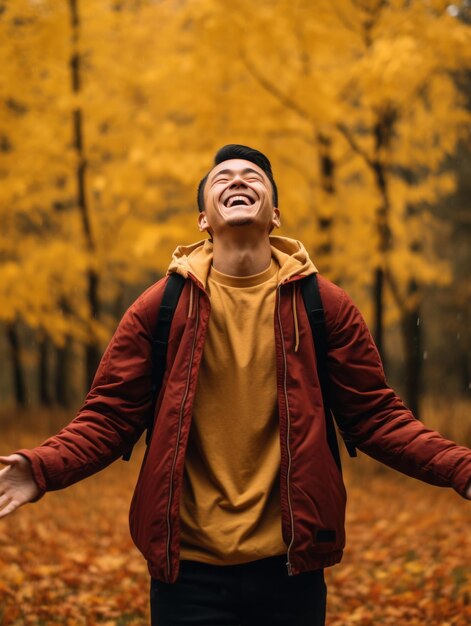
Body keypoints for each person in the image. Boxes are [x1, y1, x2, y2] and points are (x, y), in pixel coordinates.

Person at [0, 144, 470, 626]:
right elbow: (109, 416)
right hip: (187, 569)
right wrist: (41, 469)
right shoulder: (160, 307)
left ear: (276, 215)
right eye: (222, 177)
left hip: (291, 564)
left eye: (253, 176)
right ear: (204, 218)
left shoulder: (322, 306)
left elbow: (376, 417)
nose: (239, 180)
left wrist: (461, 467)